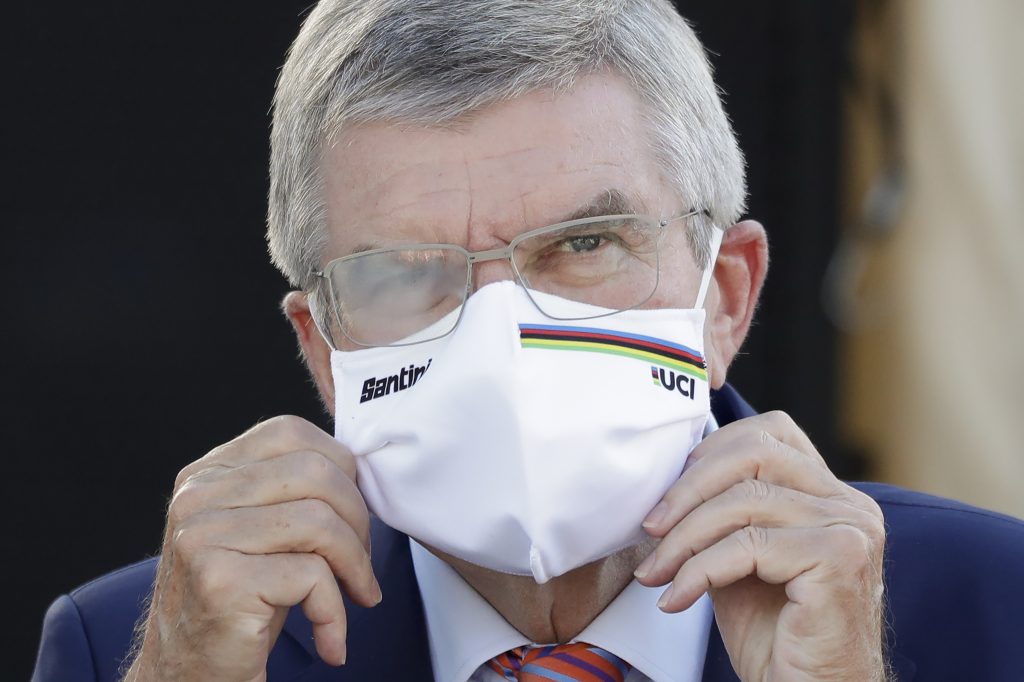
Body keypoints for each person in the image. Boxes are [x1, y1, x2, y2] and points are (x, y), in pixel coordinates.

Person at [32, 1, 1024, 681]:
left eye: (584, 242)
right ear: (327, 349)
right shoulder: (155, 643)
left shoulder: (992, 607)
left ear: (725, 293)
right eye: (407, 272)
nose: (505, 336)